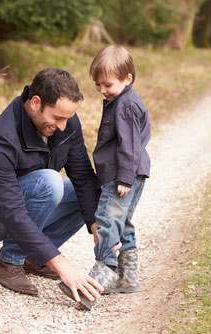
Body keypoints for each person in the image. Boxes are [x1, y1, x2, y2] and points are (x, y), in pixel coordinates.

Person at [0, 68, 104, 306]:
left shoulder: (67, 123)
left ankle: (33, 259)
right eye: (58, 118)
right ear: (35, 103)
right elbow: (11, 211)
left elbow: (83, 177)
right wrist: (61, 264)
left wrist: (96, 225)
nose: (64, 126)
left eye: (68, 118)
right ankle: (9, 262)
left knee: (84, 193)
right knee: (50, 183)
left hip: (19, 201)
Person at [61, 45, 151, 307]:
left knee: (106, 222)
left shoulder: (125, 106)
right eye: (97, 85)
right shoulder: (120, 100)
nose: (102, 90)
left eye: (107, 84)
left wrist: (124, 177)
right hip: (125, 173)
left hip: (121, 174)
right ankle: (127, 278)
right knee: (122, 223)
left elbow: (130, 145)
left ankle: (99, 280)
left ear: (128, 79)